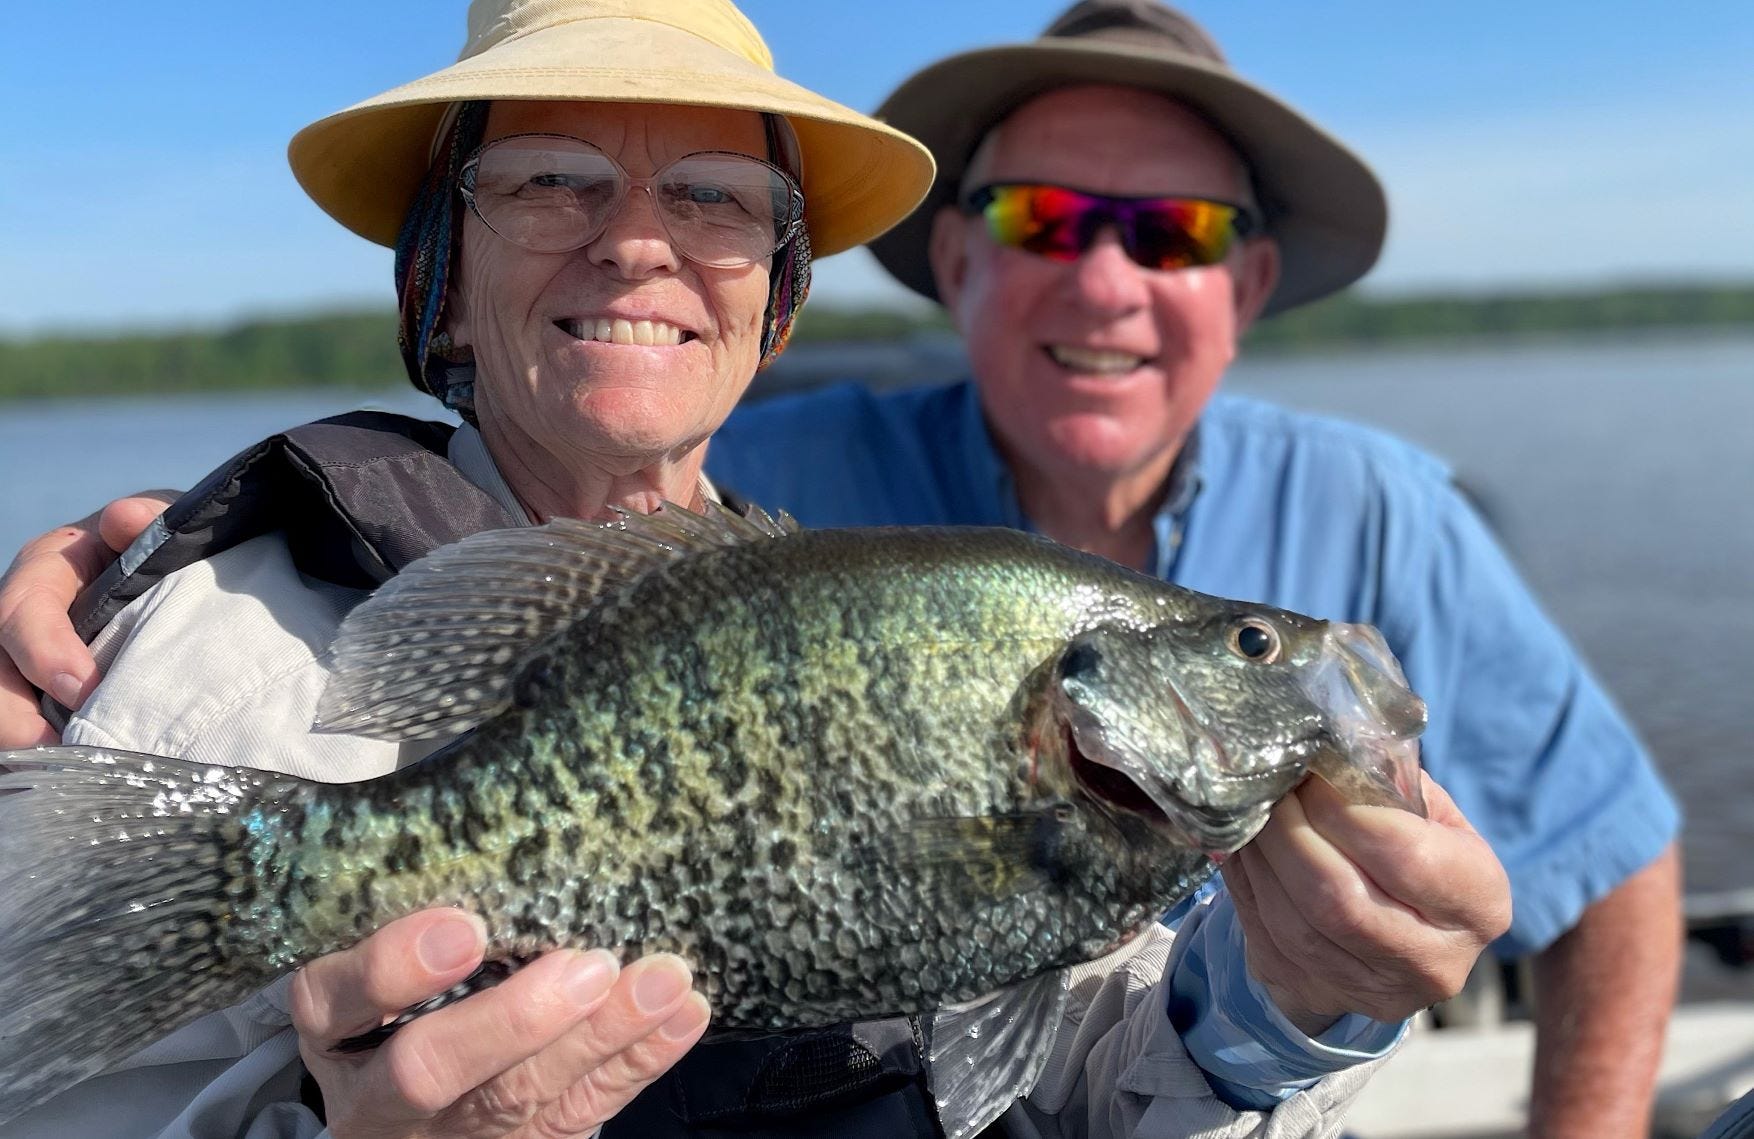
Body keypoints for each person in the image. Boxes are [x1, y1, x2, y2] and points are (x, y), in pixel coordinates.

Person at [0, 1, 1512, 1137]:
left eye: (718, 197)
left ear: (775, 304)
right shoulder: (197, 663)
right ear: (439, 279)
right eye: (547, 181)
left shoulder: (871, 606)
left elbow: (1077, 1079)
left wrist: (1287, 1007)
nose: (637, 243)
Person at [697, 3, 1688, 1136]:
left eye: (1172, 231)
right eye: (1042, 218)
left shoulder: (1376, 514)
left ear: (1247, 284)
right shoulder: (747, 472)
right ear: (957, 255)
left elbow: (1611, 865)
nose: (1106, 281)